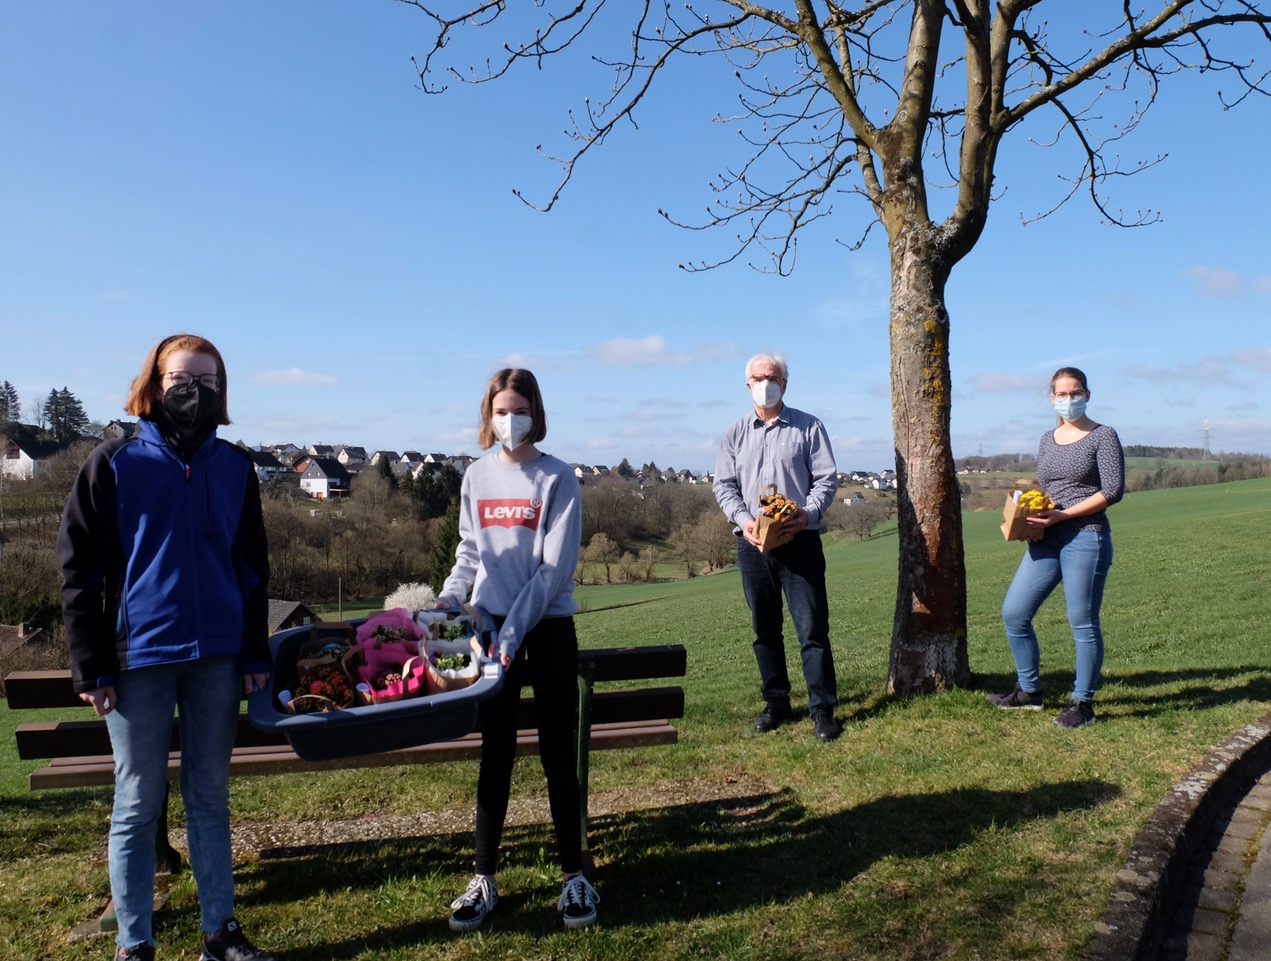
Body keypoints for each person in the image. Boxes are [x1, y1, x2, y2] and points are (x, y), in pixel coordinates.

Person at [57, 334, 274, 961]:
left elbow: (252, 568)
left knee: (209, 797)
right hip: (138, 661)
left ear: (221, 391)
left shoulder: (236, 467)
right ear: (153, 383)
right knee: (136, 801)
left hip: (217, 657)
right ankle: (134, 944)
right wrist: (90, 662)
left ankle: (220, 934)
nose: (193, 391)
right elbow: (79, 571)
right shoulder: (114, 462)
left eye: (207, 381)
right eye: (182, 378)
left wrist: (254, 653)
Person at [435, 368, 599, 932]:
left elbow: (553, 571)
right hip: (488, 630)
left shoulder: (558, 478)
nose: (510, 420)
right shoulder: (476, 476)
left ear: (536, 412)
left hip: (547, 629)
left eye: (519, 409)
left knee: (558, 755)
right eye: (501, 411)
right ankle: (483, 878)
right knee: (495, 755)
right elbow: (468, 551)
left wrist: (514, 634)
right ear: (489, 414)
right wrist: (450, 598)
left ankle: (574, 877)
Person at [713, 352, 842, 742]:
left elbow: (826, 479)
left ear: (785, 384)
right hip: (753, 546)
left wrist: (809, 512)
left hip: (799, 540)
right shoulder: (734, 432)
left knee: (812, 630)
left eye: (772, 377)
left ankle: (822, 710)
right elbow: (723, 485)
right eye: (758, 377)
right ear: (747, 384)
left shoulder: (809, 426)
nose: (765, 382)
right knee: (764, 630)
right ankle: (776, 703)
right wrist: (743, 521)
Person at [987, 367, 1125, 729]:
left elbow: (1111, 492)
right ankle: (1029, 692)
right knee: (1014, 613)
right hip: (1046, 537)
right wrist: (1025, 514)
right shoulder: (1047, 439)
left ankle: (1083, 704)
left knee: (1082, 622)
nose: (1068, 400)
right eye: (1061, 394)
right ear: (1052, 397)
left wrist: (1061, 516)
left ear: (1087, 395)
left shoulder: (1103, 436)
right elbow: (1046, 487)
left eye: (1075, 392)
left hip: (1086, 536)